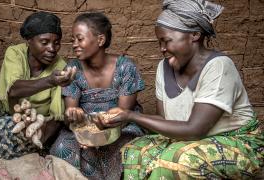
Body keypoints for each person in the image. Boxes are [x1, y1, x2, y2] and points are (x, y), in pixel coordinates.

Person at [100, 0, 264, 179]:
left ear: (194, 34)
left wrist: (131, 115)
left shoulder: (218, 66)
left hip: (238, 141)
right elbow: (164, 121)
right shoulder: (164, 68)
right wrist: (120, 118)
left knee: (178, 159)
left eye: (167, 41)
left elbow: (195, 130)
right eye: (159, 42)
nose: (162, 49)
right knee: (135, 151)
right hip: (191, 139)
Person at [49, 12, 145, 180]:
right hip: (83, 129)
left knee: (125, 148)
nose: (74, 45)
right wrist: (73, 115)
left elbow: (123, 114)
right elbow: (70, 111)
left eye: (80, 39)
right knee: (62, 147)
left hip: (120, 127)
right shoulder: (72, 69)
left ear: (100, 40)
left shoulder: (125, 68)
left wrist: (98, 136)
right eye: (73, 40)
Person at [0, 12, 76, 164]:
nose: (52, 48)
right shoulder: (15, 54)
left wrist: (41, 138)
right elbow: (14, 89)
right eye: (44, 42)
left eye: (56, 42)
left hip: (42, 123)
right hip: (12, 117)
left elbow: (57, 116)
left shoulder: (60, 65)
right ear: (29, 40)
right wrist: (50, 80)